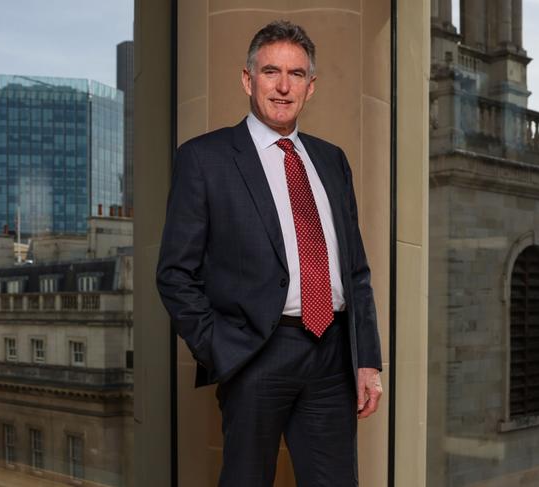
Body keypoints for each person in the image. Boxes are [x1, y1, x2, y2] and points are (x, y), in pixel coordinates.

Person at [157, 19, 382, 487]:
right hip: (256, 352)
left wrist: (367, 360)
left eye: (296, 74)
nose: (283, 87)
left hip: (333, 352)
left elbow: (355, 270)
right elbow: (175, 274)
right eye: (270, 72)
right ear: (247, 79)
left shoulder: (331, 159)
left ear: (311, 86)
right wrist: (221, 349)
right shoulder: (204, 159)